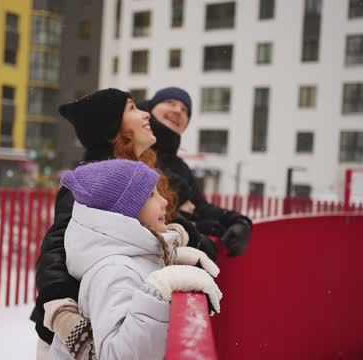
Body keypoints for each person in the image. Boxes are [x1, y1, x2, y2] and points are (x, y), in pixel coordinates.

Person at [31, 89, 218, 358]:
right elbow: (61, 244)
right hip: (80, 335)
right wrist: (61, 310)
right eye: (131, 108)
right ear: (112, 126)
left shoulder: (139, 169)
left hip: (117, 317)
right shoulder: (98, 180)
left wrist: (179, 237)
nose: (145, 112)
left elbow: (137, 234)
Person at [46, 159, 222, 359]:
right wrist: (158, 289)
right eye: (151, 195)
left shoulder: (125, 262)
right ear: (125, 212)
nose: (164, 201)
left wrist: (170, 259)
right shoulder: (113, 271)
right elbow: (116, 355)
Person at [138, 87, 253, 257]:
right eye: (170, 103)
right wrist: (193, 231)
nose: (178, 111)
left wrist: (237, 220)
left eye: (185, 110)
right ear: (150, 108)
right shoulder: (134, 150)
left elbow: (200, 207)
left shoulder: (180, 167)